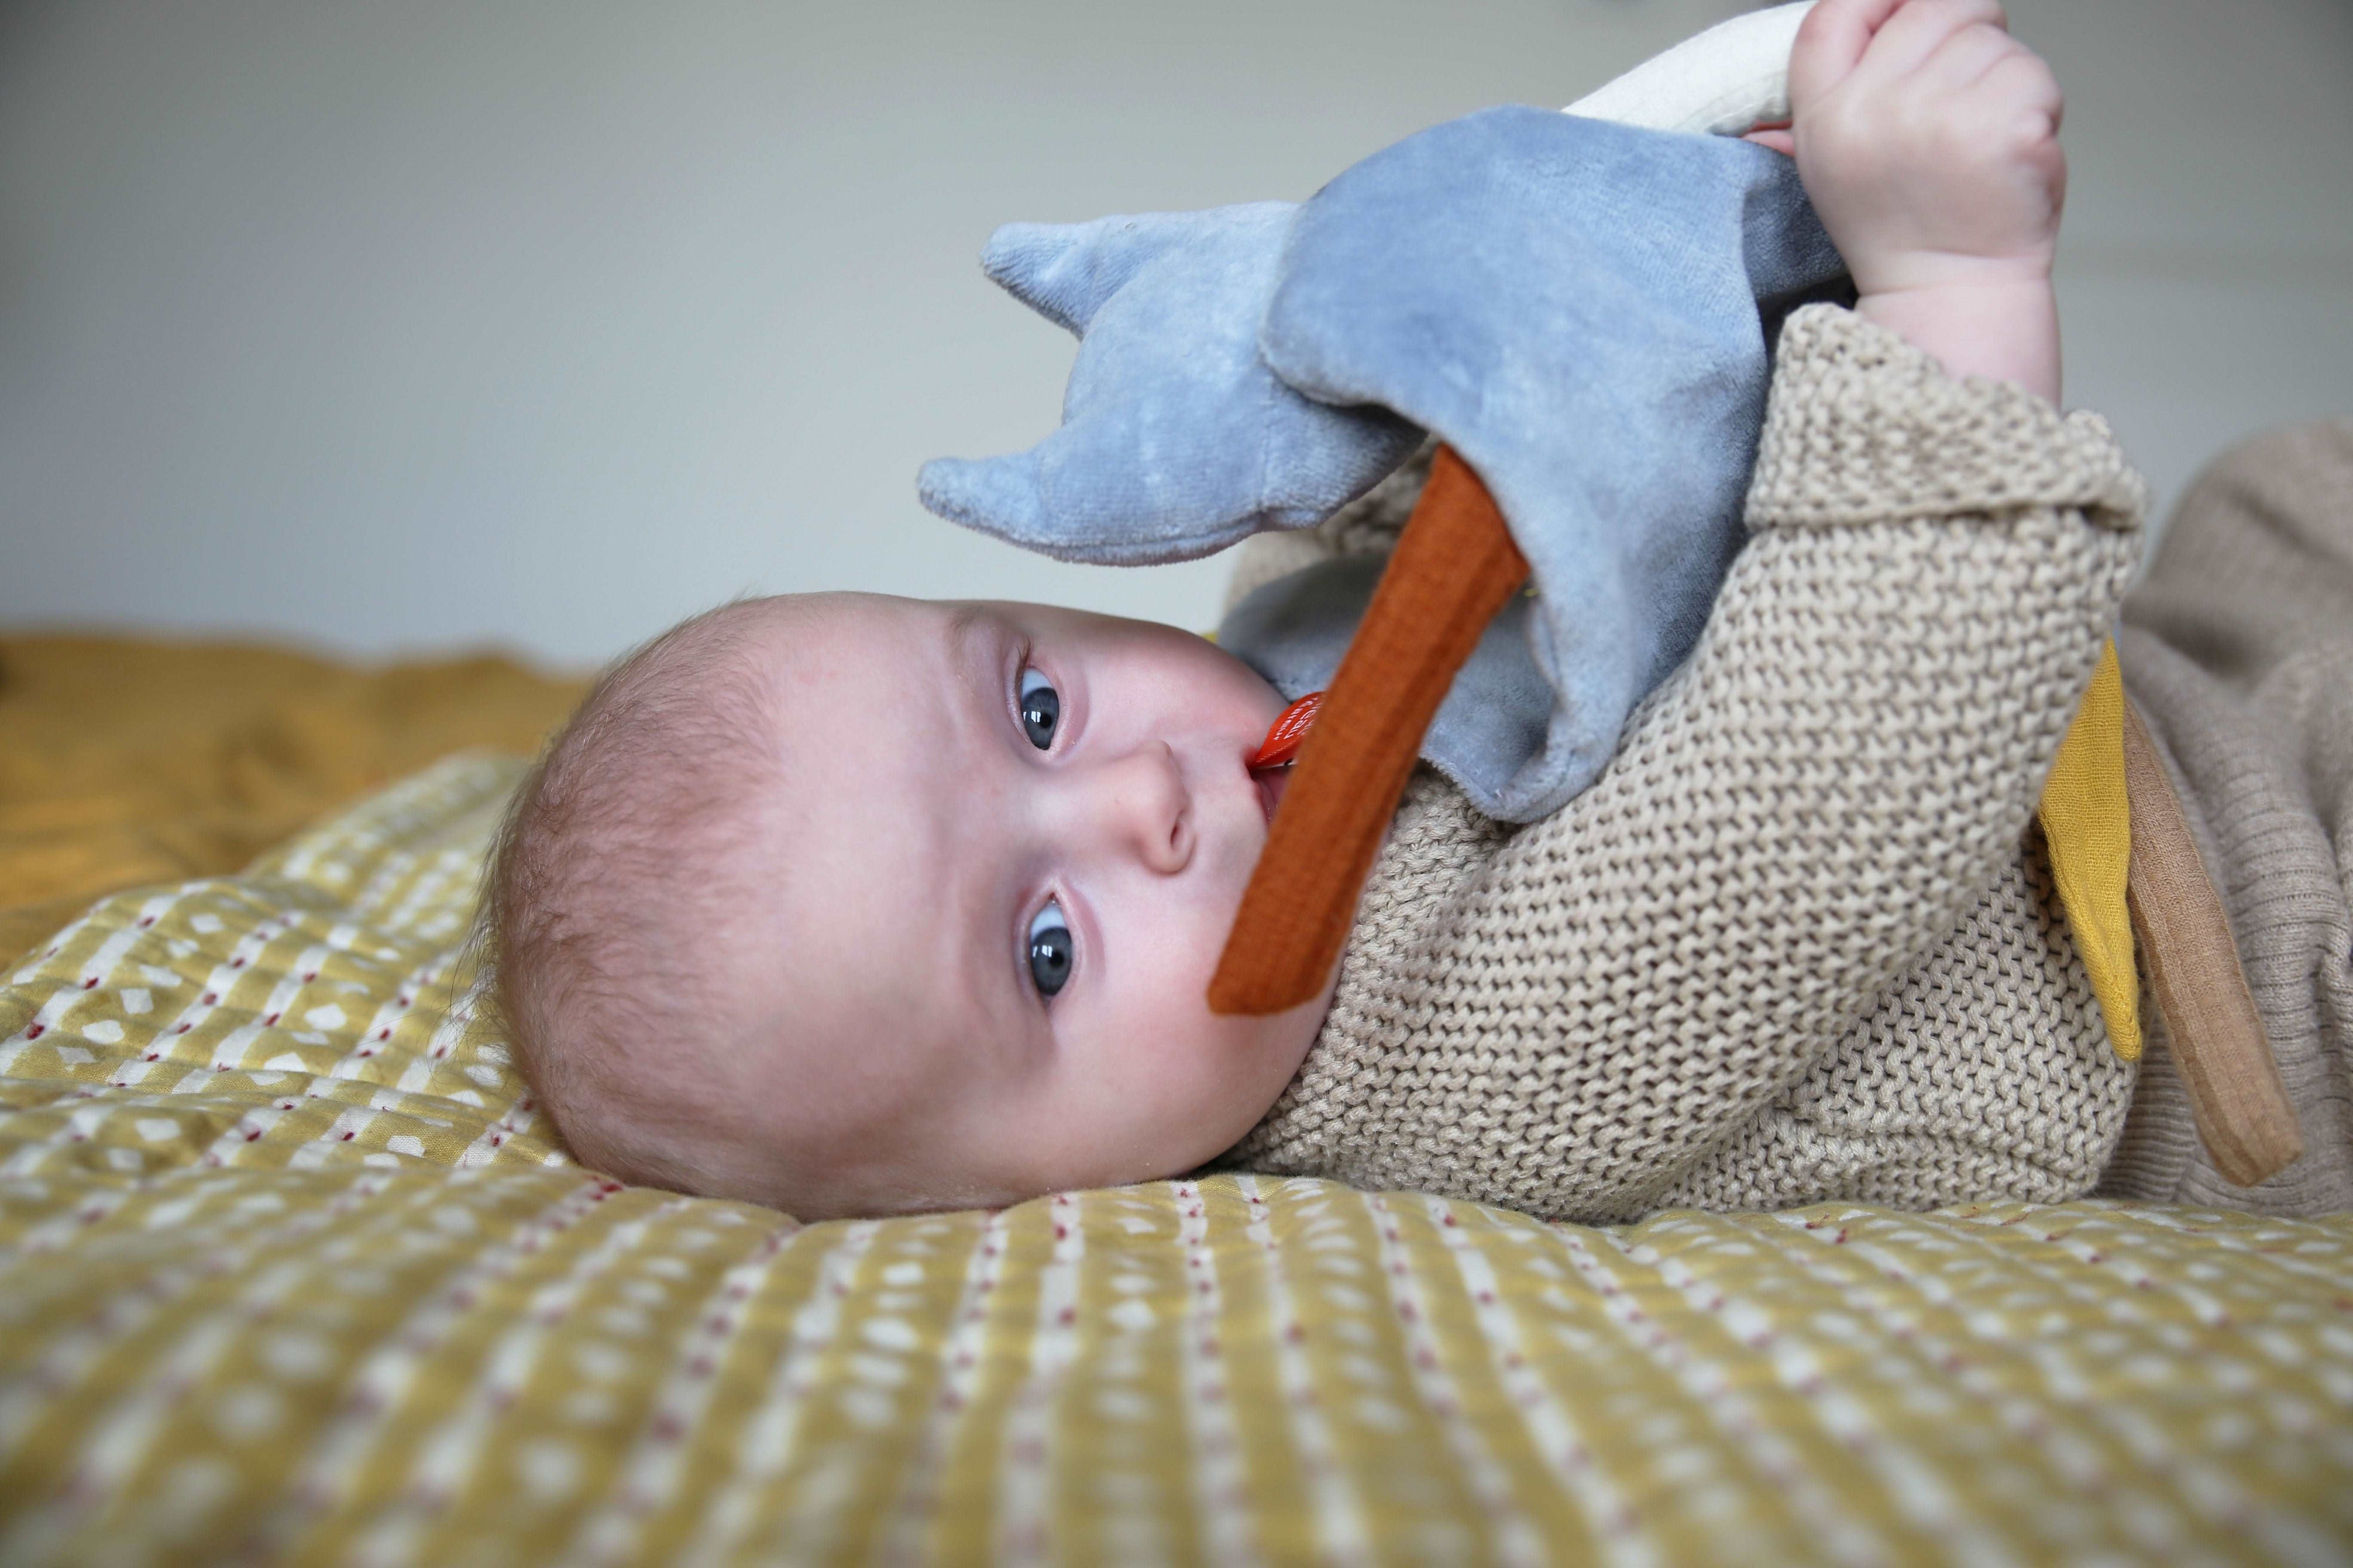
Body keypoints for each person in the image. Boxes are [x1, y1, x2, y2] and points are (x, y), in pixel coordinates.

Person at [482, 0, 2353, 1221]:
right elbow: (1827, 767)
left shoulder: (1275, 636)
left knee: (2282, 488)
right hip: (2238, 978)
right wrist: (1943, 289)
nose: (1136, 797)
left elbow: (1559, 494)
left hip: (2163, 703)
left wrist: (1707, 270)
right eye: (1044, 951)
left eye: (1033, 710)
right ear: (1035, 1197)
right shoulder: (1461, 1068)